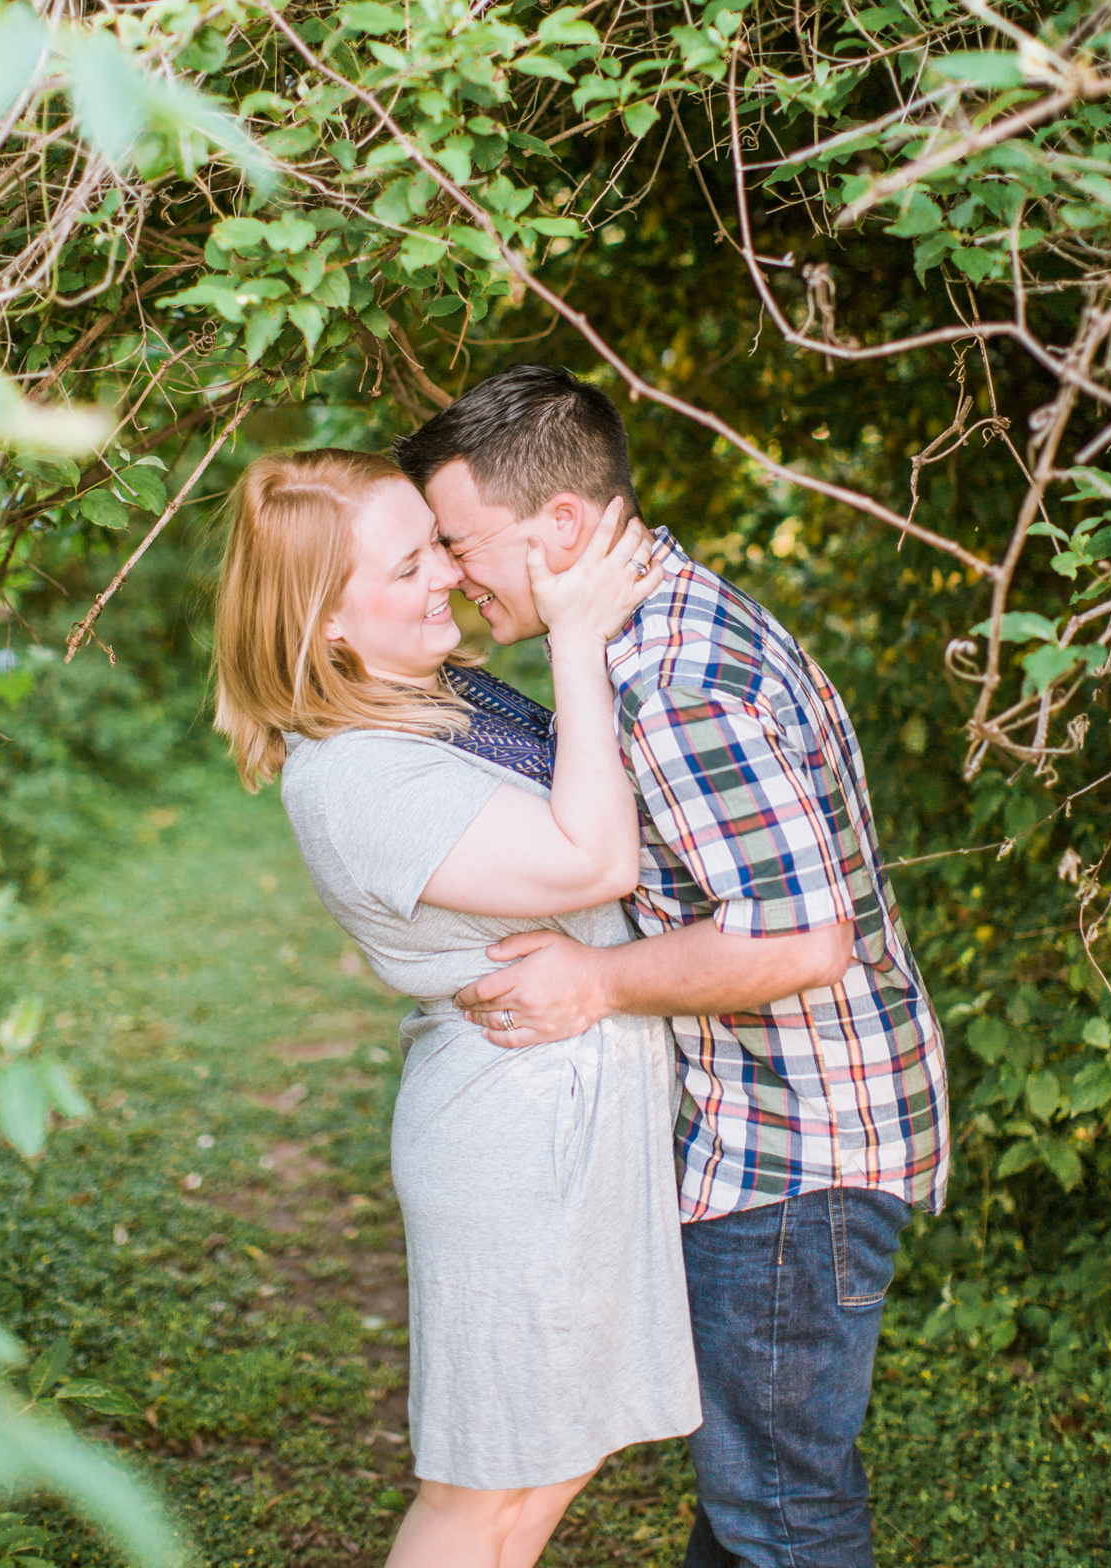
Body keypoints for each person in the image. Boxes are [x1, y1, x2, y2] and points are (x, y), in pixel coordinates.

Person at [395, 366, 950, 1568]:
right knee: (749, 1492)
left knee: (781, 1510)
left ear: (556, 525)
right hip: (769, 1134)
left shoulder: (674, 677)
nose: (448, 570)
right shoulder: (644, 634)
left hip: (796, 1150)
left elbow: (802, 939)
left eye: (457, 540)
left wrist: (592, 983)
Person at [211, 448, 700, 1568]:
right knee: (477, 1491)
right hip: (513, 1143)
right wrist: (574, 634)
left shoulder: (438, 699)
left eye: (433, 542)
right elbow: (597, 852)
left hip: (569, 1122)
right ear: (328, 622)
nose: (444, 572)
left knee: (544, 1473)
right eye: (407, 561)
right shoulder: (354, 777)